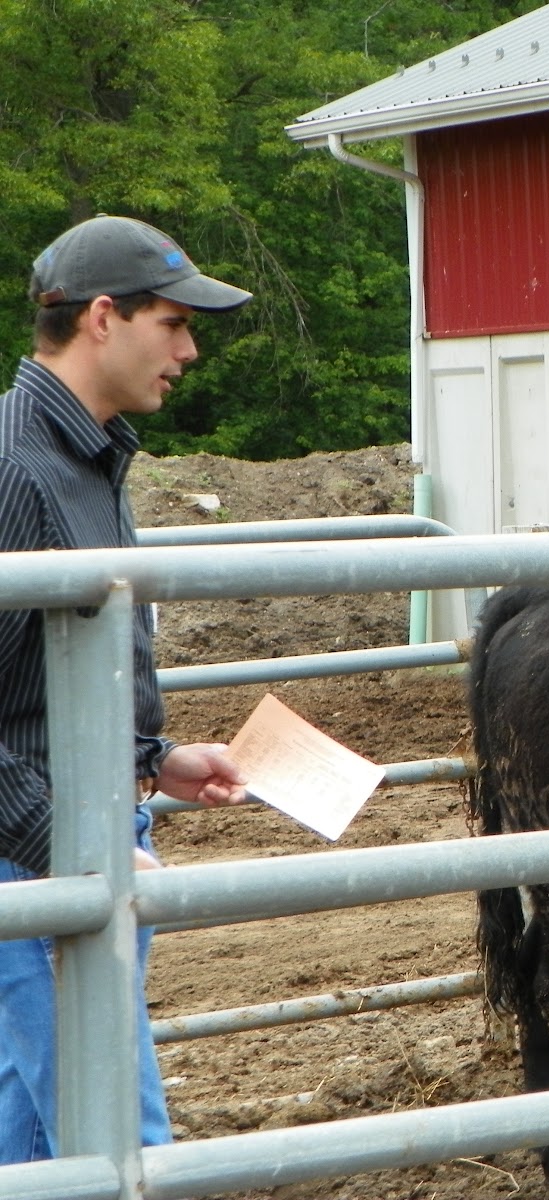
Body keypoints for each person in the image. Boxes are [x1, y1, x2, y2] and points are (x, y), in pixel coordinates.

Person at [0, 214, 253, 1162]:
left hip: (74, 826)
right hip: (44, 845)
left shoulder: (85, 454)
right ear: (104, 317)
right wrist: (79, 843)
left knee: (36, 1129)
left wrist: (156, 759)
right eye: (174, 322)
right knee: (118, 1140)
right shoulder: (16, 468)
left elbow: (44, 673)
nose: (188, 350)